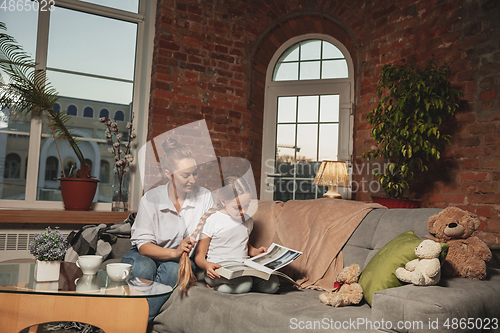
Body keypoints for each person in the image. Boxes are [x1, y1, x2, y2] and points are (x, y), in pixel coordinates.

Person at [121, 137, 214, 321]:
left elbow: (212, 234)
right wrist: (174, 252)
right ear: (168, 173)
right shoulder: (151, 198)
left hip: (182, 260)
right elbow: (144, 247)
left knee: (173, 271)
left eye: (194, 174)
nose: (192, 180)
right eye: (185, 175)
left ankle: (132, 323)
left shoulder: (205, 197)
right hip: (147, 254)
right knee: (143, 266)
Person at [195, 175, 279, 294]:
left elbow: (243, 245)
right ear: (223, 201)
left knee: (272, 285)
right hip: (217, 271)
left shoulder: (248, 221)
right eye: (237, 207)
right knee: (244, 285)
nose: (243, 211)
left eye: (246, 205)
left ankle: (234, 287)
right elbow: (199, 256)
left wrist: (256, 252)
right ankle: (217, 287)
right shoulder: (212, 220)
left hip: (242, 269)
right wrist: (207, 265)